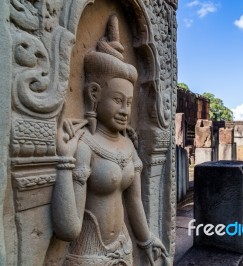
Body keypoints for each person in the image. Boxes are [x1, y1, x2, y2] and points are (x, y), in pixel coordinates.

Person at [52, 14, 168, 265]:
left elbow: (135, 201)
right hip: (90, 253)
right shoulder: (85, 145)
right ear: (94, 93)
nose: (126, 110)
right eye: (117, 100)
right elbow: (68, 229)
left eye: (128, 103)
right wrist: (64, 160)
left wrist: (146, 240)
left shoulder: (128, 145)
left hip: (124, 249)